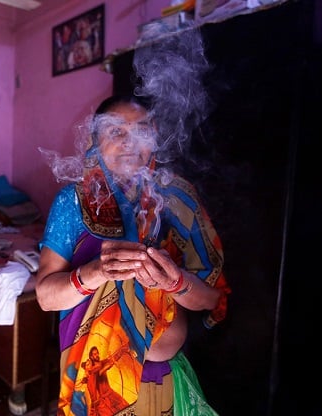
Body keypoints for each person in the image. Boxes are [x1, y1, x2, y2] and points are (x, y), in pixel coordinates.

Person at [36, 94, 230, 415]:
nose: (130, 143)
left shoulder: (176, 199)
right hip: (93, 383)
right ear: (94, 140)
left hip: (163, 381)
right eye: (116, 132)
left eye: (141, 132)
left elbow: (212, 299)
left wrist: (175, 282)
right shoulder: (73, 201)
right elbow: (45, 296)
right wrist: (97, 271)